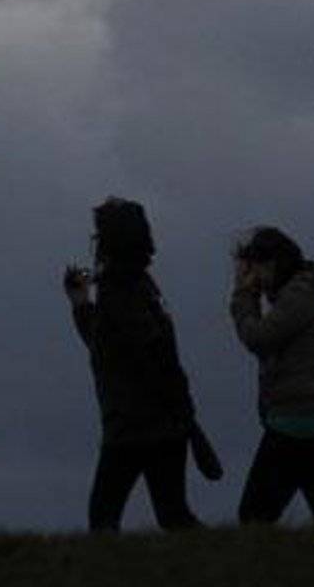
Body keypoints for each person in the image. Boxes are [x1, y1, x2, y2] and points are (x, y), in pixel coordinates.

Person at [64, 197, 208, 532]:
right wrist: (82, 304)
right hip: (165, 422)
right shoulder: (144, 286)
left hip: (130, 426)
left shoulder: (116, 291)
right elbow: (123, 346)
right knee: (174, 515)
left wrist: (82, 304)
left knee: (104, 518)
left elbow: (118, 350)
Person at [228, 224, 314, 524]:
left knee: (255, 517)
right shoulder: (313, 292)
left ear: (271, 264)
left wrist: (243, 296)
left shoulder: (301, 295)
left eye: (253, 269)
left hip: (299, 423)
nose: (253, 279)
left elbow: (259, 338)